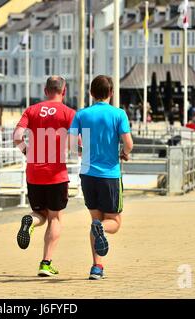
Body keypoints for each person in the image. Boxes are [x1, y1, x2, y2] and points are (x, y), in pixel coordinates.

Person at [68, 75, 133, 280]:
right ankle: (101, 229)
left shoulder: (81, 114)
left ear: (91, 93)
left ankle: (97, 267)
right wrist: (124, 152)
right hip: (110, 175)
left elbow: (70, 144)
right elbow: (128, 143)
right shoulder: (118, 114)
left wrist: (81, 150)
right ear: (111, 93)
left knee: (94, 220)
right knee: (113, 221)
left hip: (88, 175)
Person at [13, 76, 76, 277]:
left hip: (34, 171)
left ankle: (30, 221)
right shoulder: (69, 113)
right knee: (55, 217)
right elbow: (77, 145)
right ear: (63, 91)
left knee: (39, 213)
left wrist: (26, 152)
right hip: (56, 173)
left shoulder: (31, 110)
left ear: (45, 89)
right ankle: (46, 263)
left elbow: (16, 136)